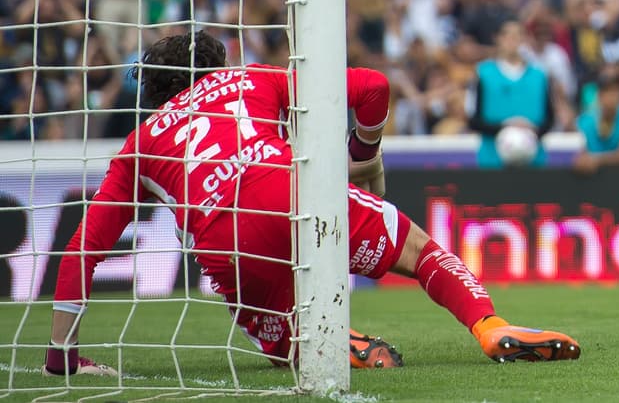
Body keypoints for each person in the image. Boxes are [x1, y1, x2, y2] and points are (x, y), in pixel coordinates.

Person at [43, 31, 579, 377]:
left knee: (280, 343)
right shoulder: (249, 79)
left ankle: (322, 342)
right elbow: (372, 87)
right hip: (288, 194)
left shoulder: (138, 145)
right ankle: (490, 327)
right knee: (419, 252)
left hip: (225, 246)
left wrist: (60, 354)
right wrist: (363, 157)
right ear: (216, 65)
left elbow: (84, 246)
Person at [469, 20, 554, 168]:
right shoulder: (483, 74)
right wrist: (505, 127)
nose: (512, 41)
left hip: (533, 161)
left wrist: (532, 130)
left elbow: (549, 118)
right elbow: (474, 119)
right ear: (498, 39)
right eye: (507, 35)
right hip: (492, 161)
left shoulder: (539, 75)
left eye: (517, 35)